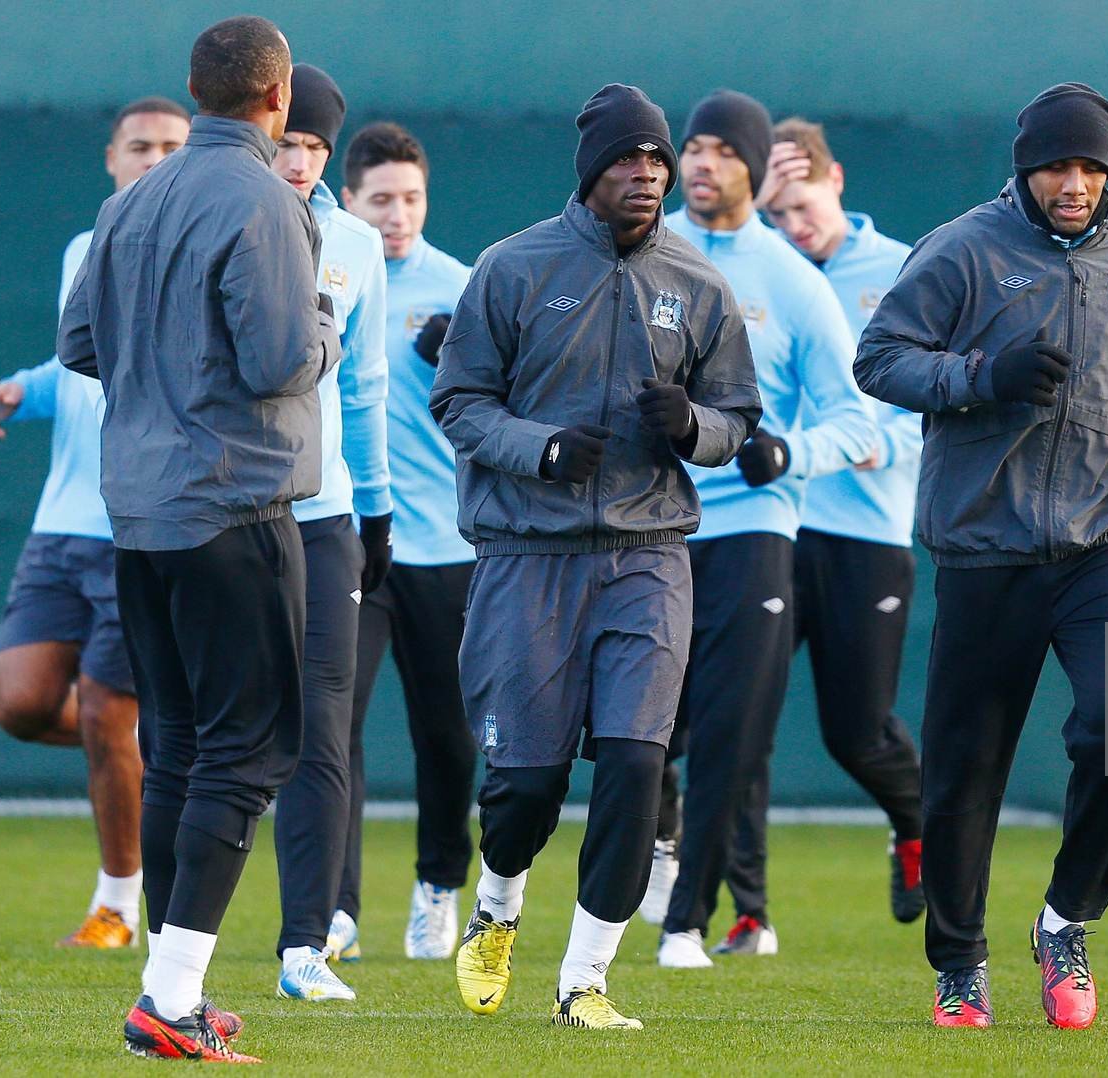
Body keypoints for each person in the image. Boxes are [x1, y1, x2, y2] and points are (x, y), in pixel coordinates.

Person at [856, 82, 1108, 1029]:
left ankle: (1065, 921)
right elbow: (880, 357)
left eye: (1092, 168)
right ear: (1025, 171)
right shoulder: (964, 248)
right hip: (988, 543)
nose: (1076, 184)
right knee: (965, 772)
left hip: (1107, 539)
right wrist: (982, 376)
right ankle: (960, 965)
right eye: (1058, 167)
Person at [433, 83, 760, 1031]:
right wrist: (538, 448)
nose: (646, 175)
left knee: (634, 767)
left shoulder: (698, 284)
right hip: (527, 557)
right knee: (524, 788)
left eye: (657, 161)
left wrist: (692, 425)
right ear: (590, 173)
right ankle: (497, 906)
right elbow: (458, 401)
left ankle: (584, 982)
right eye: (627, 159)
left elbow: (737, 415)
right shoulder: (512, 267)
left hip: (650, 554)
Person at [60, 15, 339, 1063]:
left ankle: (166, 987)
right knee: (245, 752)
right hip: (234, 508)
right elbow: (280, 360)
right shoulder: (267, 198)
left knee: (177, 748)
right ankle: (169, 1001)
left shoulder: (129, 200)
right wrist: (329, 323)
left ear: (194, 90)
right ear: (278, 98)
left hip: (140, 515)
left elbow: (79, 343)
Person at [653, 89, 877, 968]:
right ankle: (653, 848)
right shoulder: (643, 252)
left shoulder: (792, 281)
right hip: (649, 529)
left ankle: (685, 922)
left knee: (727, 736)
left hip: (753, 533)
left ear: (752, 167)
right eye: (693, 148)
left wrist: (788, 455)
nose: (702, 164)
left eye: (722, 150)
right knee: (633, 727)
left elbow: (856, 421)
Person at [0, 95, 188, 949]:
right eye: (140, 146)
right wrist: (25, 388)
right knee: (20, 703)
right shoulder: (83, 248)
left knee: (105, 710)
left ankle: (117, 908)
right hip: (60, 527)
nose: (155, 159)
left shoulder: (205, 246)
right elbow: (80, 362)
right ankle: (163, 753)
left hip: (141, 525)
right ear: (111, 157)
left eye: (172, 146)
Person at [711, 117, 925, 928]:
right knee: (741, 727)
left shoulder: (905, 269)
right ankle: (748, 912)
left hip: (865, 533)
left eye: (803, 205)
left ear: (836, 181)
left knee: (858, 732)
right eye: (777, 211)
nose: (793, 225)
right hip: (764, 525)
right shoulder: (750, 268)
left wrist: (867, 446)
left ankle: (916, 825)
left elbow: (931, 404)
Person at [260, 62, 392, 1003]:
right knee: (206, 728)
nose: (301, 161)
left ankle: (305, 943)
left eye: (316, 146)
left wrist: (375, 507)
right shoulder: (217, 219)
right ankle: (172, 938)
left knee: (324, 725)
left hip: (325, 515)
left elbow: (367, 384)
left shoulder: (356, 243)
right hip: (230, 515)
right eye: (288, 142)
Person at [339, 120, 478, 961]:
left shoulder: (462, 288)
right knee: (333, 729)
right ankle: (334, 911)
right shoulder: (322, 276)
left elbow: (508, 407)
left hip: (445, 550)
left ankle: (439, 886)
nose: (397, 215)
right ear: (349, 200)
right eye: (381, 199)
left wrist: (456, 361)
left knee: (450, 739)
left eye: (412, 199)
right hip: (349, 541)